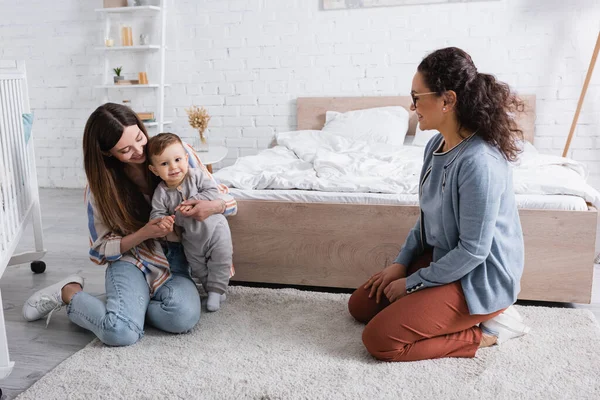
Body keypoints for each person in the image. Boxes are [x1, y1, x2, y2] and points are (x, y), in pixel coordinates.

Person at [348, 47, 530, 362]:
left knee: (380, 341)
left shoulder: (480, 163)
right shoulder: (435, 145)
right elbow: (427, 218)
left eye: (417, 97)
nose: (411, 105)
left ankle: (491, 330)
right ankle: (440, 309)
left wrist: (413, 284)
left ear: (447, 100)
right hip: (448, 256)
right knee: (361, 306)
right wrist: (401, 264)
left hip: (480, 275)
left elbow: (474, 251)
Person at [22, 103, 237, 346]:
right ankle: (69, 292)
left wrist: (213, 206)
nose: (139, 150)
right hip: (132, 260)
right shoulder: (99, 189)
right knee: (120, 333)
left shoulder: (175, 152)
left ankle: (128, 307)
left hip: (175, 262)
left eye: (139, 138)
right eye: (125, 149)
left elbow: (226, 198)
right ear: (108, 153)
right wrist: (145, 232)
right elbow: (99, 251)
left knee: (182, 317)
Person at [147, 133, 233, 312]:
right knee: (197, 266)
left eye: (178, 159)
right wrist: (164, 220)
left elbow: (213, 191)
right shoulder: (161, 193)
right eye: (164, 164)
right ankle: (211, 289)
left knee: (221, 259)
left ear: (186, 159)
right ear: (154, 170)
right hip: (190, 238)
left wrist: (195, 200)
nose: (173, 167)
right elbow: (157, 214)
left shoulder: (196, 176)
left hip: (215, 229)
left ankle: (216, 292)